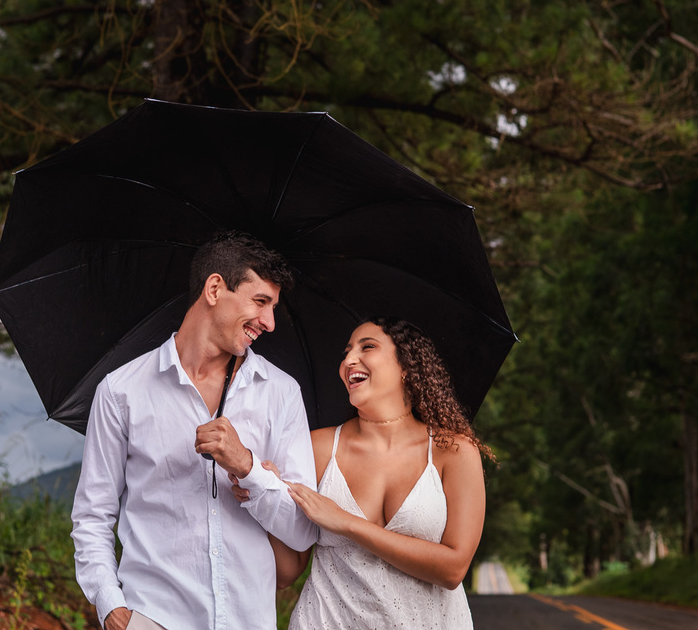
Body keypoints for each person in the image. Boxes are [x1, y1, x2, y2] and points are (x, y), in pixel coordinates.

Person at [71, 230, 319, 630]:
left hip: (247, 620)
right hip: (152, 618)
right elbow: (92, 516)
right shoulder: (121, 391)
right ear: (215, 288)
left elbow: (303, 530)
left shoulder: (282, 392)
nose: (270, 322)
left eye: (273, 307)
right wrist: (111, 607)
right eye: (260, 302)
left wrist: (247, 465)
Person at [237, 316, 490, 629]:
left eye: (366, 347)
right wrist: (265, 494)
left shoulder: (454, 451)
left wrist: (346, 523)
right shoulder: (317, 448)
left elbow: (453, 569)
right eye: (346, 352)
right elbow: (287, 572)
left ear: (407, 366)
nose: (348, 360)